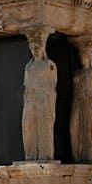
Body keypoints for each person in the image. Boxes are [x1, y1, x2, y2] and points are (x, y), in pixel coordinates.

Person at [22, 27, 57, 161]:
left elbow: (53, 85)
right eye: (32, 47)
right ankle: (30, 155)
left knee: (44, 127)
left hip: (44, 100)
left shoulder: (49, 65)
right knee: (27, 125)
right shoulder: (28, 66)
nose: (35, 50)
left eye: (38, 46)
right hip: (31, 99)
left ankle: (44, 155)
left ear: (43, 47)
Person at [70, 37, 92, 162]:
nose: (81, 59)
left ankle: (90, 156)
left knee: (89, 131)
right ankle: (78, 154)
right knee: (74, 129)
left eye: (84, 56)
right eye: (80, 57)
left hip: (89, 103)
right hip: (78, 102)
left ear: (89, 58)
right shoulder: (77, 73)